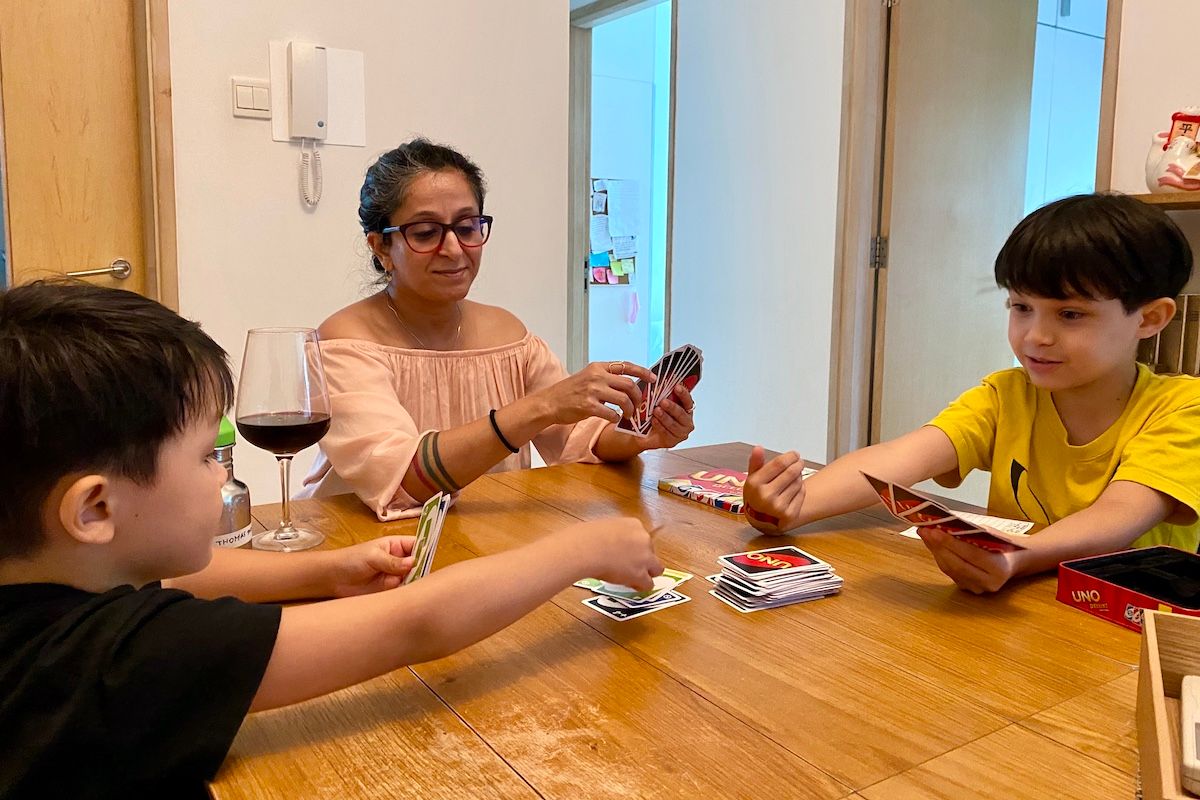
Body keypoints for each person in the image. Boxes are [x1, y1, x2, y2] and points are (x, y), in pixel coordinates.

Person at [0, 281, 663, 798]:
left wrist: (328, 570)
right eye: (207, 457)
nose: (223, 476)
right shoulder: (125, 658)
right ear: (94, 509)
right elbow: (418, 624)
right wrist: (585, 549)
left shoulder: (52, 583)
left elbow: (179, 577)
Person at [743, 193, 1200, 593]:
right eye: (1021, 307)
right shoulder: (1006, 395)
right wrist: (794, 507)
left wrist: (1021, 556)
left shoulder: (1183, 407)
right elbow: (899, 459)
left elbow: (1121, 513)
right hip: (1014, 610)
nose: (1035, 336)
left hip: (1131, 630)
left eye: (1070, 315)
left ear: (1150, 319)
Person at [298, 138, 695, 520]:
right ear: (381, 246)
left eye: (467, 227)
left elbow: (577, 439)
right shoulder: (343, 342)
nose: (453, 249)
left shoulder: (509, 336)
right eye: (426, 233)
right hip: (360, 548)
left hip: (489, 541)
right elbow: (404, 480)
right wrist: (542, 406)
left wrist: (641, 434)